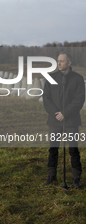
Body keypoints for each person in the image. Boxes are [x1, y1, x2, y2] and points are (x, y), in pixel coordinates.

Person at [43, 52, 85, 187]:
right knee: (53, 149)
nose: (59, 63)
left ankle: (76, 179)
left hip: (71, 120)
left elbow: (79, 100)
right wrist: (56, 113)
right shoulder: (51, 78)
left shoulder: (78, 79)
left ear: (69, 63)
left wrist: (65, 113)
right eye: (58, 61)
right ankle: (51, 176)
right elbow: (46, 99)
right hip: (55, 120)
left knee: (73, 150)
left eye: (62, 61)